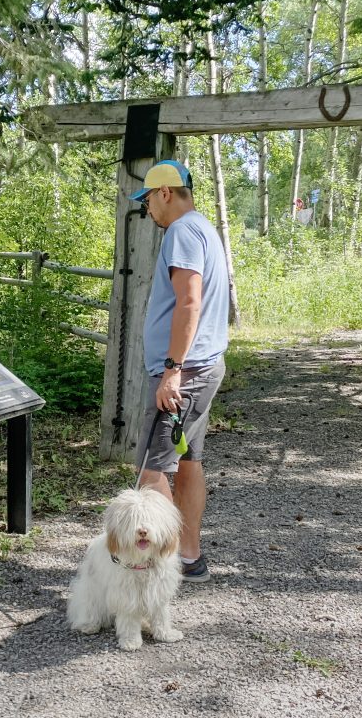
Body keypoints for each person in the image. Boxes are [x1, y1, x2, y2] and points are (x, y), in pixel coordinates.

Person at [129, 160, 229, 583]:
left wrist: (172, 370)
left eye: (148, 199)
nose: (147, 209)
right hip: (203, 365)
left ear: (165, 192)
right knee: (188, 460)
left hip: (185, 373)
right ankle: (189, 558)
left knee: (152, 471)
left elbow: (189, 302)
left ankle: (157, 569)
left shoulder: (183, 232)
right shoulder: (205, 228)